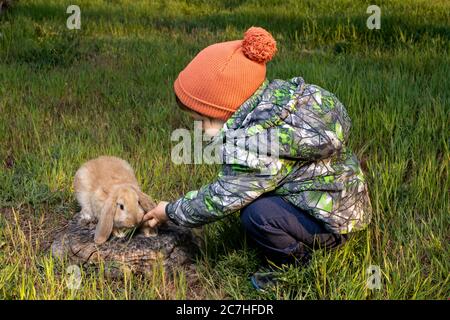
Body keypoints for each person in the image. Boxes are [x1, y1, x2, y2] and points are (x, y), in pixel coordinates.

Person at [143, 27, 372, 290]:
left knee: (256, 214)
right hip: (347, 205)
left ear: (225, 109)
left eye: (202, 120)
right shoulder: (286, 103)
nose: (201, 130)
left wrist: (170, 210)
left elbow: (221, 197)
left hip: (328, 226)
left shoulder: (253, 144)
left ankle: (295, 265)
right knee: (253, 196)